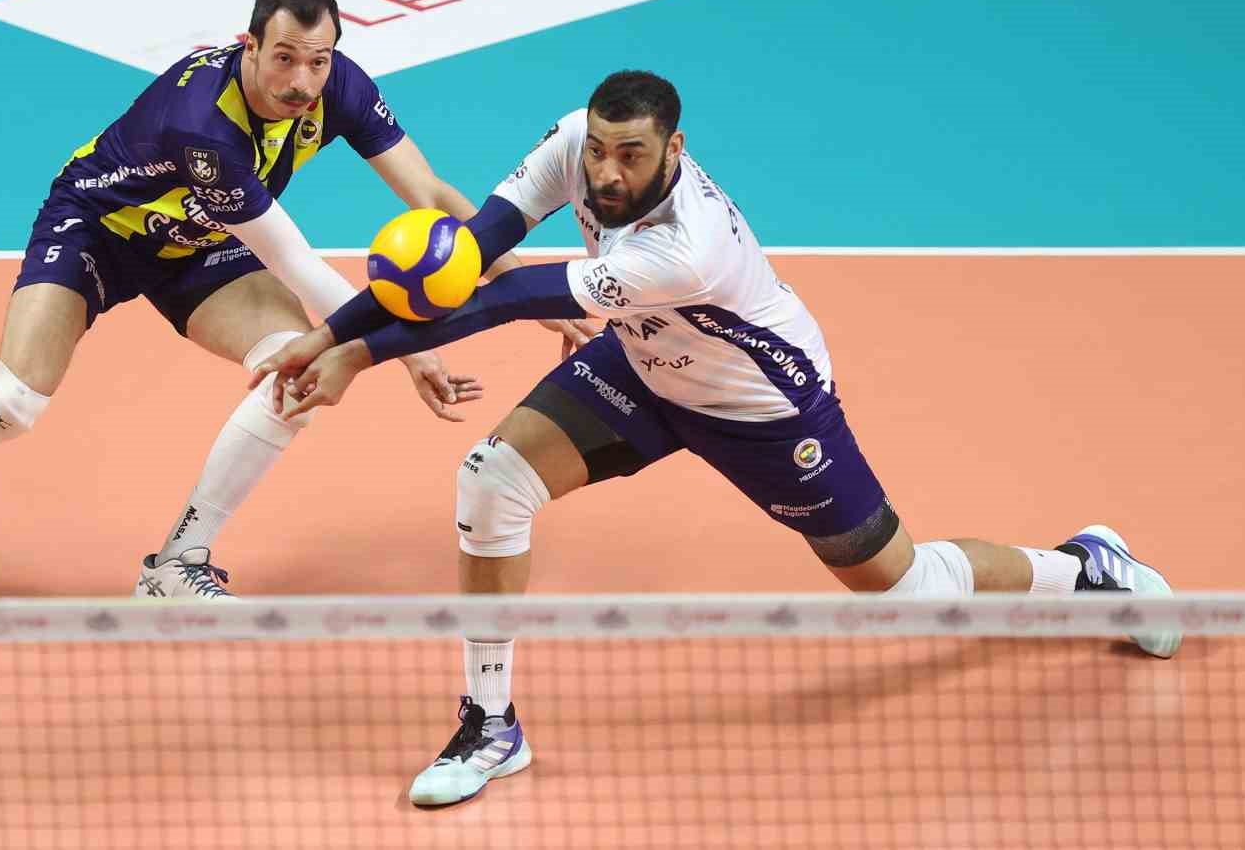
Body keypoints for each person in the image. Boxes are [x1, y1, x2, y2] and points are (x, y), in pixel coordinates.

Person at [251, 69, 1182, 806]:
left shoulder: (682, 249)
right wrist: (332, 334)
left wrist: (354, 352)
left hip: (762, 406)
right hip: (643, 365)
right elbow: (478, 247)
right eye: (600, 151)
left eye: (632, 156)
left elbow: (503, 299)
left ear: (674, 149)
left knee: (901, 587)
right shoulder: (576, 143)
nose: (608, 174)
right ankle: (490, 723)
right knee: (494, 481)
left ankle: (1088, 568)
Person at [0, 0, 594, 601]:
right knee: (12, 402)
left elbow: (429, 193)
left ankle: (176, 564)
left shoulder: (341, 88)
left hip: (203, 246)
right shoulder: (203, 124)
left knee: (296, 374)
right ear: (249, 46)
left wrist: (527, 292)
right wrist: (405, 349)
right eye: (284, 58)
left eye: (318, 61)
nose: (302, 81)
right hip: (100, 230)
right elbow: (294, 261)